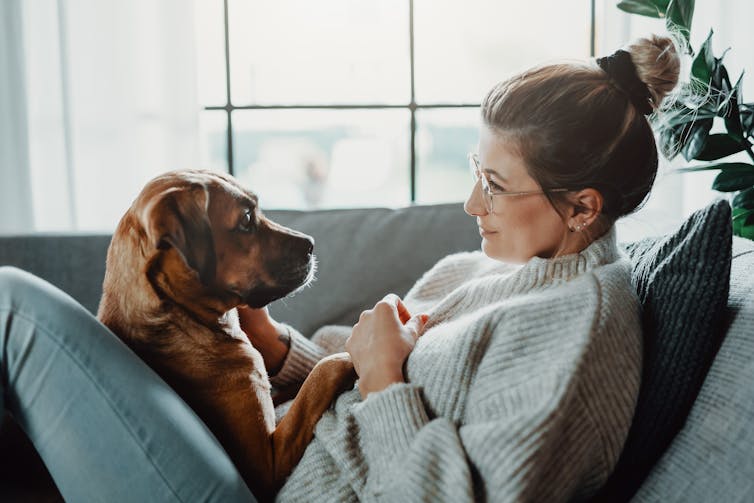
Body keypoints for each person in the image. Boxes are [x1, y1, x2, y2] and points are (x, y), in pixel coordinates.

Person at [0, 34, 680, 502]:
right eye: (478, 171)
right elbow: (346, 362)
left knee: (10, 308)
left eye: (496, 185)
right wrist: (277, 349)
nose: (472, 201)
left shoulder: (579, 334)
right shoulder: (477, 269)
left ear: (582, 208)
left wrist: (385, 379)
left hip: (258, 487)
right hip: (259, 452)